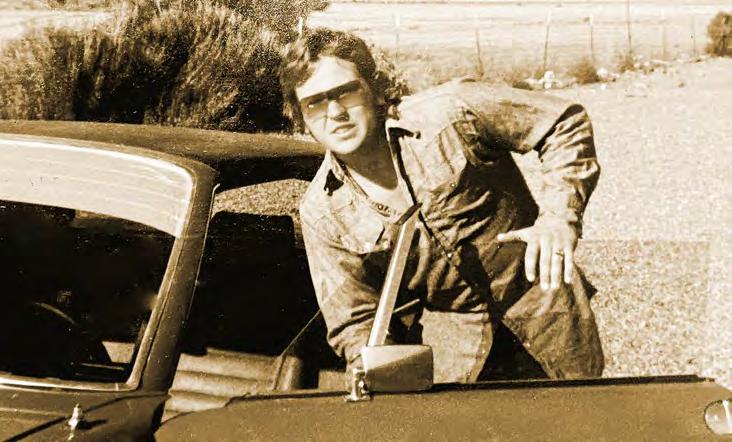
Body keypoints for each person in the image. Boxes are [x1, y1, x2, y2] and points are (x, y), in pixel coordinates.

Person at [279, 28, 604, 383]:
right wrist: (375, 369)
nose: (335, 112)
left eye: (346, 92)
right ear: (300, 116)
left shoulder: (451, 112)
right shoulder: (322, 212)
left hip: (550, 317)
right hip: (459, 357)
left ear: (374, 88)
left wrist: (559, 217)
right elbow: (354, 319)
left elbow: (564, 122)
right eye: (315, 103)